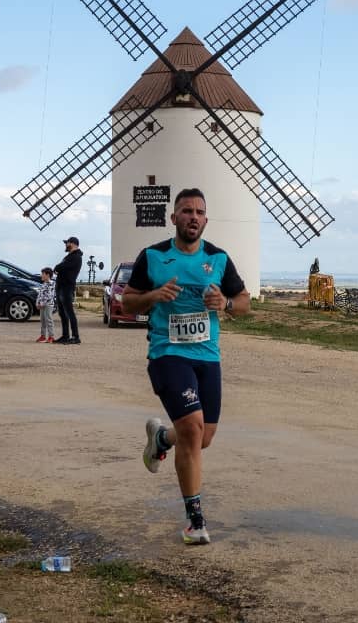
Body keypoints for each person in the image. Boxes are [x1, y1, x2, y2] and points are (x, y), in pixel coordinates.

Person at [122, 187, 250, 545]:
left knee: (202, 437)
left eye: (199, 212)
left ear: (206, 220)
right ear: (173, 217)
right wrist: (154, 296)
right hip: (167, 353)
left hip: (207, 356)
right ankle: (195, 522)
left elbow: (244, 303)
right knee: (192, 429)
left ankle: (161, 438)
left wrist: (225, 304)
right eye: (186, 211)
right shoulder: (153, 256)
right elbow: (128, 302)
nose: (193, 217)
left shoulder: (218, 259)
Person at [54, 236, 83, 344]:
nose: (66, 245)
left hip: (67, 288)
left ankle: (76, 337)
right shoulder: (69, 256)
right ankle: (65, 336)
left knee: (69, 313)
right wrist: (58, 267)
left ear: (73, 244)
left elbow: (61, 267)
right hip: (61, 287)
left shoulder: (76, 257)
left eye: (67, 243)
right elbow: (60, 267)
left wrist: (57, 267)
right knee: (62, 313)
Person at [35, 266, 56, 342]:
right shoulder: (44, 284)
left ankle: (51, 336)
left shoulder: (51, 283)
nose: (41, 275)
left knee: (48, 320)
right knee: (43, 321)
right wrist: (37, 303)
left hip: (48, 305)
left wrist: (42, 303)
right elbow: (40, 294)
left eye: (43, 274)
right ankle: (43, 336)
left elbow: (49, 295)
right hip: (42, 305)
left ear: (48, 275)